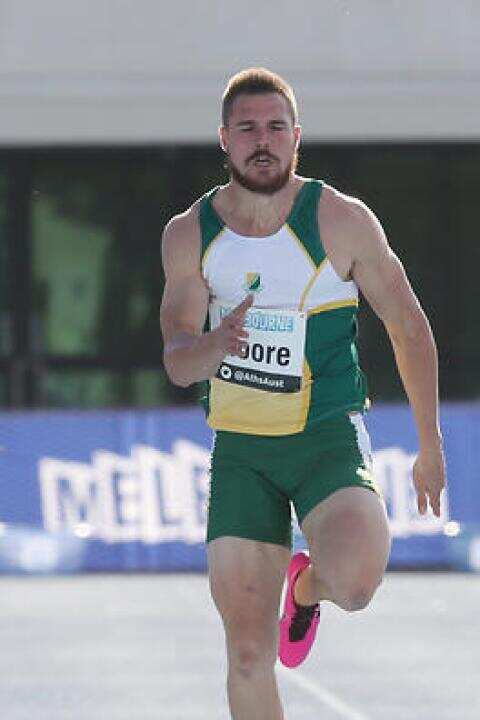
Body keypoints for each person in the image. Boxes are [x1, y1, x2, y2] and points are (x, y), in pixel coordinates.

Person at [158, 67, 446, 718]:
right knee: (248, 655)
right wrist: (212, 346)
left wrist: (430, 445)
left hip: (325, 440)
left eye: (276, 127)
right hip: (242, 454)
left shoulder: (340, 220)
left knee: (358, 583)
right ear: (224, 140)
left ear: (297, 138)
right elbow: (178, 361)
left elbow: (409, 327)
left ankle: (308, 588)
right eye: (248, 128)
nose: (263, 141)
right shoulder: (190, 234)